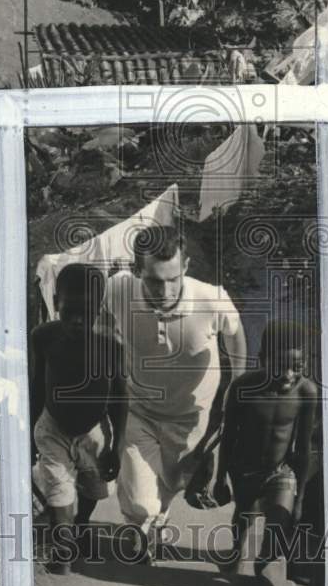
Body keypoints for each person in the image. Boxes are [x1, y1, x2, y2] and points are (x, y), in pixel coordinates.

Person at [99, 223, 247, 562]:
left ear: (186, 268)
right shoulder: (118, 290)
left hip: (193, 415)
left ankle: (155, 521)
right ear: (137, 271)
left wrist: (236, 385)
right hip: (139, 410)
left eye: (173, 279)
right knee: (139, 500)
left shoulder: (212, 298)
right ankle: (142, 525)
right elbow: (103, 321)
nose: (165, 290)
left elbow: (235, 334)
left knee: (173, 482)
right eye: (153, 280)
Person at [30, 263, 126, 575]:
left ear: (99, 309)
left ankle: (82, 523)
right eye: (69, 310)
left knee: (92, 489)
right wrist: (29, 434)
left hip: (94, 432)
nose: (77, 320)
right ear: (55, 301)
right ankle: (63, 552)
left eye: (86, 312)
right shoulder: (43, 337)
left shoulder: (110, 347)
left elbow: (119, 398)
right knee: (60, 491)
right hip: (53, 427)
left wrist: (117, 444)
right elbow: (36, 388)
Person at [214, 318, 318, 585]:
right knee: (243, 516)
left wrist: (301, 497)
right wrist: (219, 478)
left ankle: (264, 566)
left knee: (280, 521)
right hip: (244, 470)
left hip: (280, 471)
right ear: (262, 359)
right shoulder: (242, 388)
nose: (288, 375)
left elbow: (304, 447)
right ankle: (237, 550)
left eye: (297, 367)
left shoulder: (306, 392)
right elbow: (228, 437)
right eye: (280, 367)